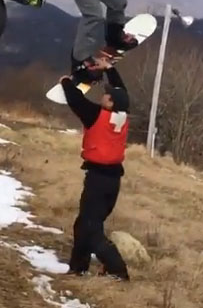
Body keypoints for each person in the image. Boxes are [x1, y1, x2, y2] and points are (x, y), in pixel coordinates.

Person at [59, 57, 131, 281]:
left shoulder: (95, 116)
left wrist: (65, 82)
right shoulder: (122, 115)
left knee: (90, 228)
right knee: (85, 224)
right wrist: (109, 69)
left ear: (110, 103)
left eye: (106, 94)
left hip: (98, 180)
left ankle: (117, 270)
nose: (104, 94)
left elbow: (75, 100)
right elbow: (122, 91)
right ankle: (78, 267)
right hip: (112, 181)